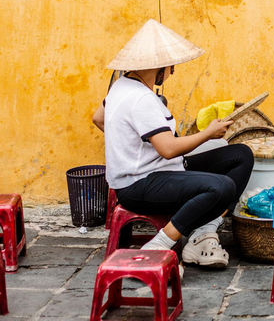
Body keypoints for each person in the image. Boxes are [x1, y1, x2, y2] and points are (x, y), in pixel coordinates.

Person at [92, 19, 253, 268]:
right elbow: (167, 150)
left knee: (241, 155)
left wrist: (128, 142)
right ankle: (160, 244)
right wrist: (208, 133)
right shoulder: (141, 99)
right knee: (223, 187)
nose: (172, 72)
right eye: (170, 66)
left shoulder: (120, 87)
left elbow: (99, 118)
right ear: (157, 66)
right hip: (141, 184)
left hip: (151, 173)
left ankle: (203, 233)